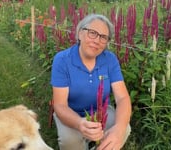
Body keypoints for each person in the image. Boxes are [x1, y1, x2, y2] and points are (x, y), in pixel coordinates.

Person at [50, 13, 131, 150]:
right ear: (80, 33)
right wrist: (80, 123)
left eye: (103, 37)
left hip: (102, 110)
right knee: (70, 142)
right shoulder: (62, 60)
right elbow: (60, 105)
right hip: (71, 113)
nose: (97, 40)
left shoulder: (110, 60)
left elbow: (122, 97)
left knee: (125, 128)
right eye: (92, 33)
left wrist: (119, 128)